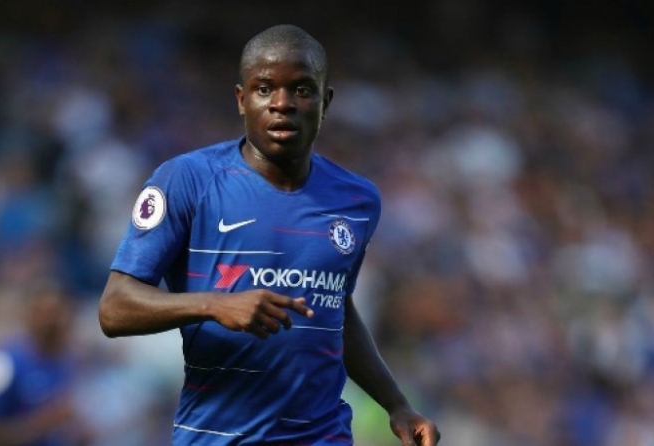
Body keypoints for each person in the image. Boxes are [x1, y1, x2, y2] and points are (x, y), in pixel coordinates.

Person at [98, 23, 440, 445]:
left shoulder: (357, 199)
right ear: (242, 99)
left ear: (325, 101)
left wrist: (396, 404)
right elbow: (114, 308)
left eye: (301, 89)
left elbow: (334, 308)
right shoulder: (187, 180)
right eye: (264, 89)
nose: (282, 104)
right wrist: (214, 305)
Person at [0, 279, 89, 446]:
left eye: (59, 313)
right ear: (29, 315)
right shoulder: (1, 362)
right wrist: (42, 423)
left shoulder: (70, 361)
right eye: (47, 314)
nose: (54, 322)